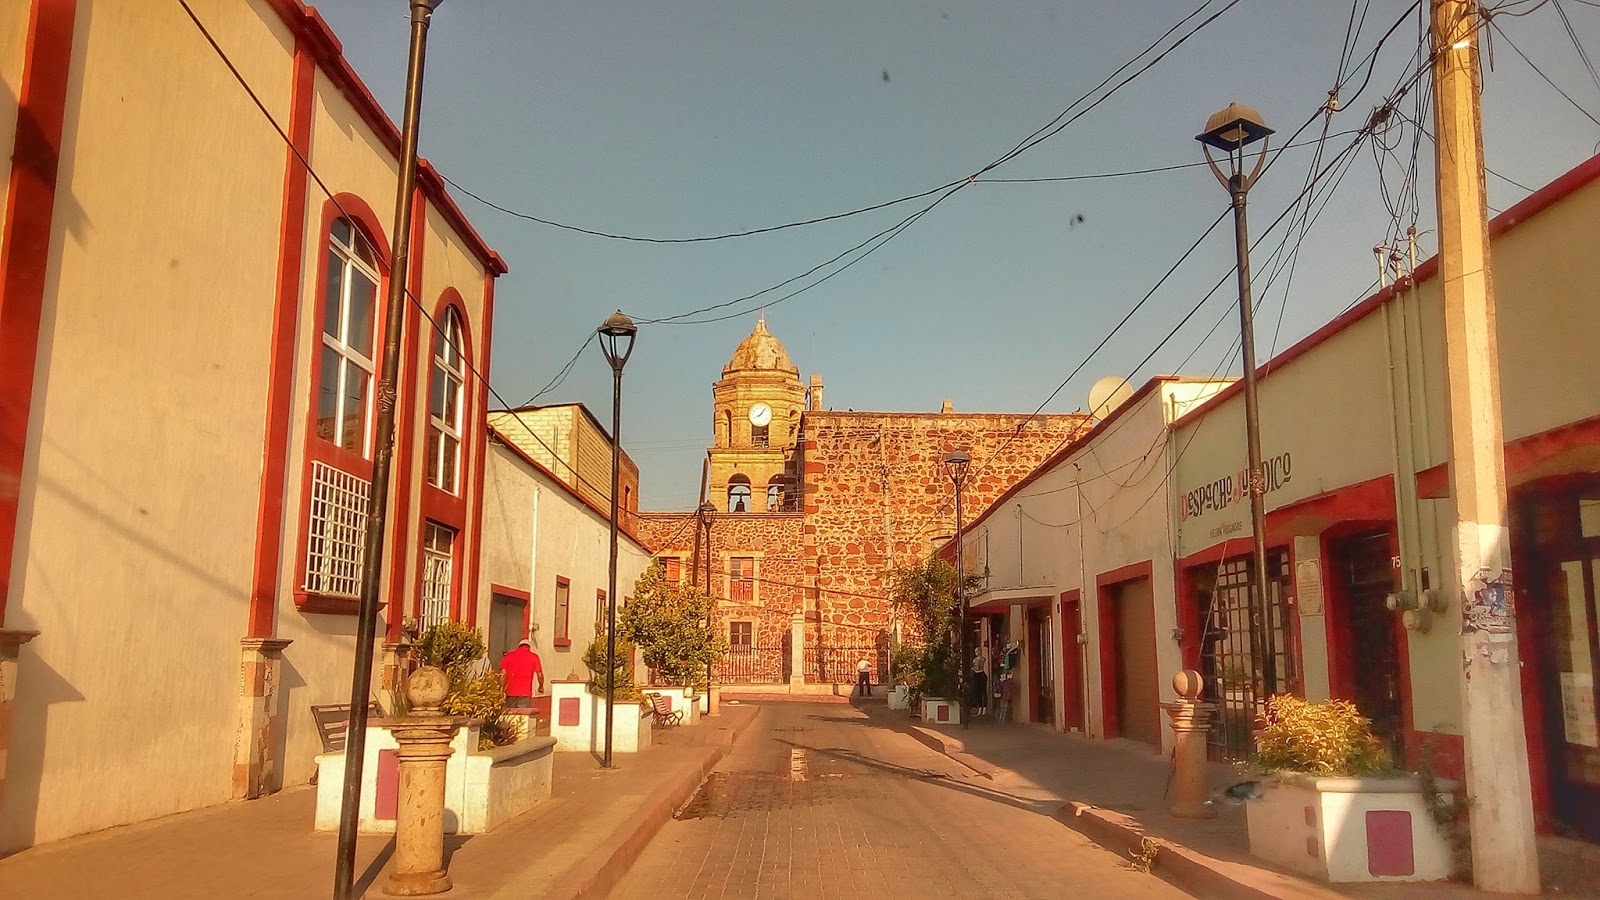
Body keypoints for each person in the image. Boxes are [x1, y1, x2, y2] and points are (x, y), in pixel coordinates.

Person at [500, 639, 544, 708]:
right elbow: (540, 675)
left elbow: (503, 674)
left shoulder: (508, 656)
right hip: (525, 693)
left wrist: (502, 688)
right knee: (523, 716)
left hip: (510, 692)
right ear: (529, 647)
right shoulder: (533, 657)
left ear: (519, 646)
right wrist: (541, 686)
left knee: (510, 715)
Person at [971, 644, 990, 716]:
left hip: (981, 674)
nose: (976, 652)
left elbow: (979, 666)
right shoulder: (974, 660)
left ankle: (984, 708)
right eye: (975, 651)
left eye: (978, 651)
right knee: (977, 691)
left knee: (983, 691)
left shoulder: (982, 658)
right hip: (976, 675)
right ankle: (979, 708)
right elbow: (974, 667)